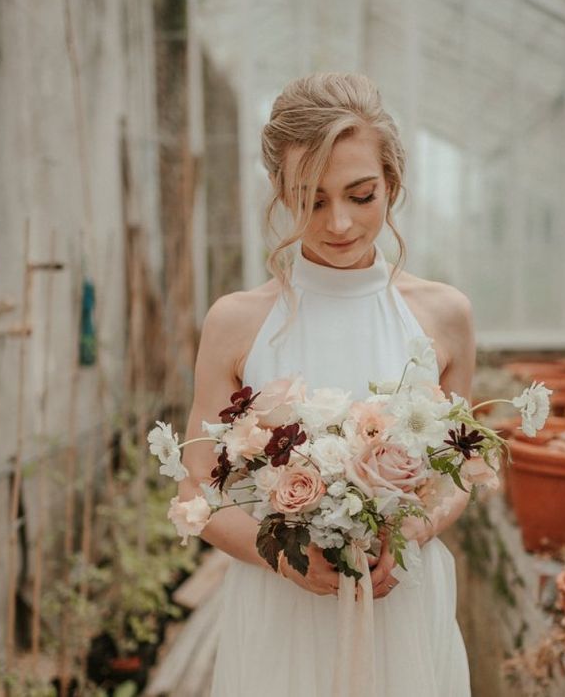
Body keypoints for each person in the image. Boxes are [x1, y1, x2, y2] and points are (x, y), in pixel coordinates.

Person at [178, 72, 474, 696]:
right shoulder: (237, 322)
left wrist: (412, 531)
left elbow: (463, 473)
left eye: (360, 195)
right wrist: (282, 557)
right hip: (281, 612)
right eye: (312, 199)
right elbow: (195, 491)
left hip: (403, 604)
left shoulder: (444, 315)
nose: (338, 222)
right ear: (281, 193)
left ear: (391, 184)